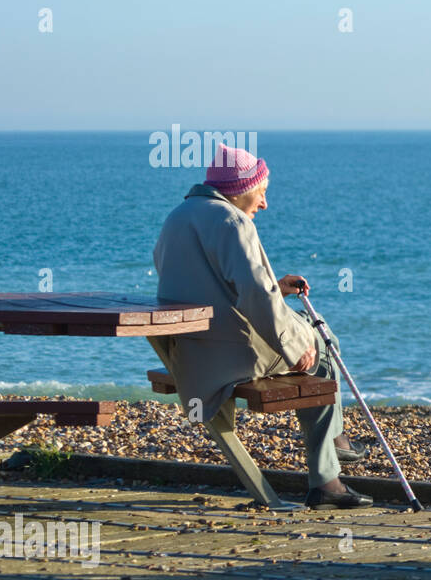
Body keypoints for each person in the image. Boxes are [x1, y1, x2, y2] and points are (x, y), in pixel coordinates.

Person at [152, 143, 372, 509]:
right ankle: (328, 474)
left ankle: (336, 444)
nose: (265, 203)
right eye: (262, 192)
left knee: (316, 337)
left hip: (191, 348)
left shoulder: (178, 216)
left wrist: (276, 288)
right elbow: (254, 296)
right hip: (229, 355)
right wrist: (294, 345)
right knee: (321, 347)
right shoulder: (232, 221)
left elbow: (205, 282)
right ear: (240, 189)